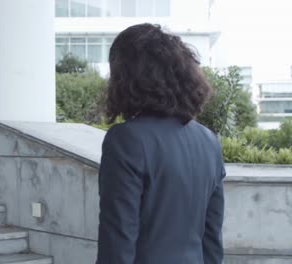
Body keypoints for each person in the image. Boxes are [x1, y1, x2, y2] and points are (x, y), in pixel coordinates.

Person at [96, 23, 225, 264]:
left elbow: (117, 240)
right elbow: (212, 239)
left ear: (126, 78)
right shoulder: (208, 141)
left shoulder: (126, 140)